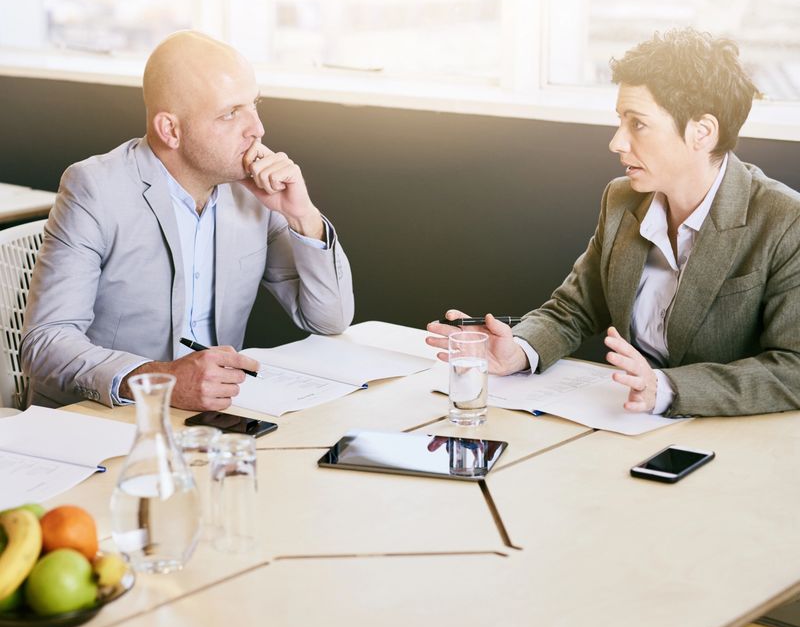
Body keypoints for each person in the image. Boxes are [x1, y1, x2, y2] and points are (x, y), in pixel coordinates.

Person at [427, 28, 800, 418]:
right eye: (620, 121)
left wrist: (667, 388)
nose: (617, 142)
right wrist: (519, 350)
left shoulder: (784, 221)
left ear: (702, 132)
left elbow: (794, 367)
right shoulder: (622, 200)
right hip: (626, 424)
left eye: (637, 124)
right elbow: (573, 309)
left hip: (733, 438)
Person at [21, 31, 354, 411]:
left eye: (254, 105)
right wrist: (159, 381)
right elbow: (45, 342)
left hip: (211, 420)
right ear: (171, 130)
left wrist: (301, 214)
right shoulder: (95, 187)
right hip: (102, 418)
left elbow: (329, 320)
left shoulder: (253, 191)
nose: (257, 129)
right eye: (230, 113)